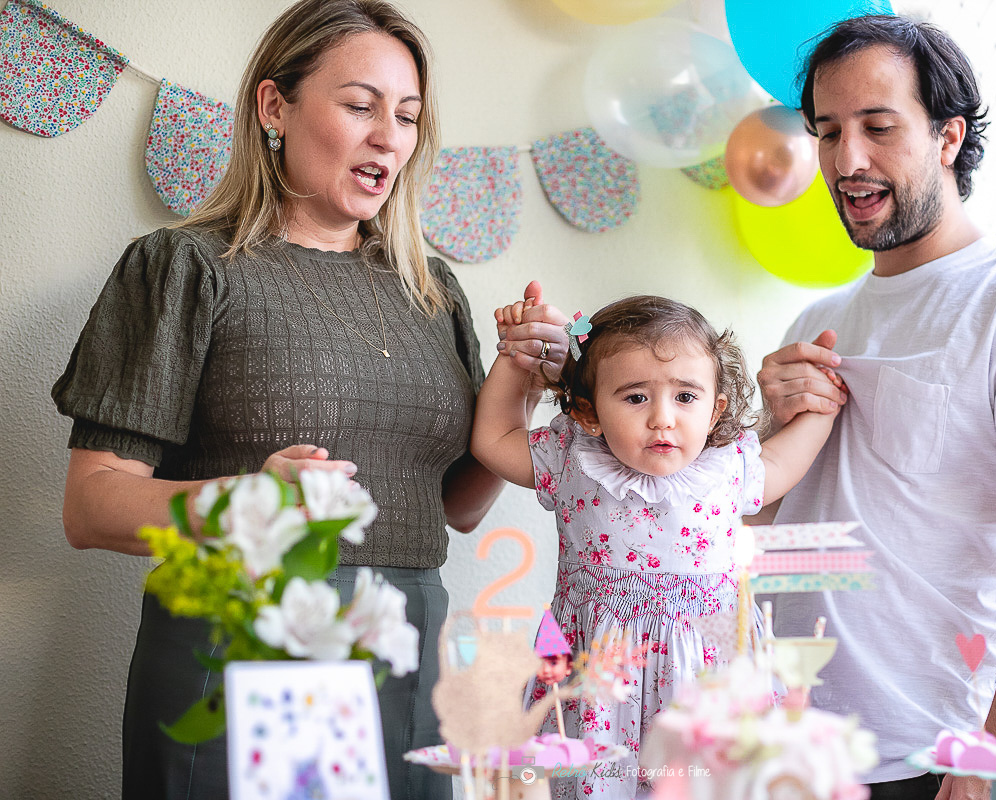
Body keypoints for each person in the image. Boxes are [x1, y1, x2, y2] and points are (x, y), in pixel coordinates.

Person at [50, 2, 566, 798]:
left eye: (407, 117)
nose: (389, 137)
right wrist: (248, 503)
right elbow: (90, 508)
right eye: (360, 106)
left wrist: (518, 390)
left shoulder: (431, 289)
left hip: (412, 650)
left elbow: (455, 508)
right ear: (274, 107)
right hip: (253, 640)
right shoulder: (187, 266)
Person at [754, 15, 996, 800]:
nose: (847, 160)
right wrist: (768, 433)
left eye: (878, 127)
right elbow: (754, 535)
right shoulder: (814, 323)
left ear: (949, 137)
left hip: (937, 759)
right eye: (828, 132)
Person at [472, 294, 839, 798]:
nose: (663, 418)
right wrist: (517, 359)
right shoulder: (570, 458)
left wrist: (823, 407)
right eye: (635, 398)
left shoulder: (729, 469)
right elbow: (493, 440)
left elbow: (785, 460)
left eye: (686, 397)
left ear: (715, 410)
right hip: (600, 687)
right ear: (588, 412)